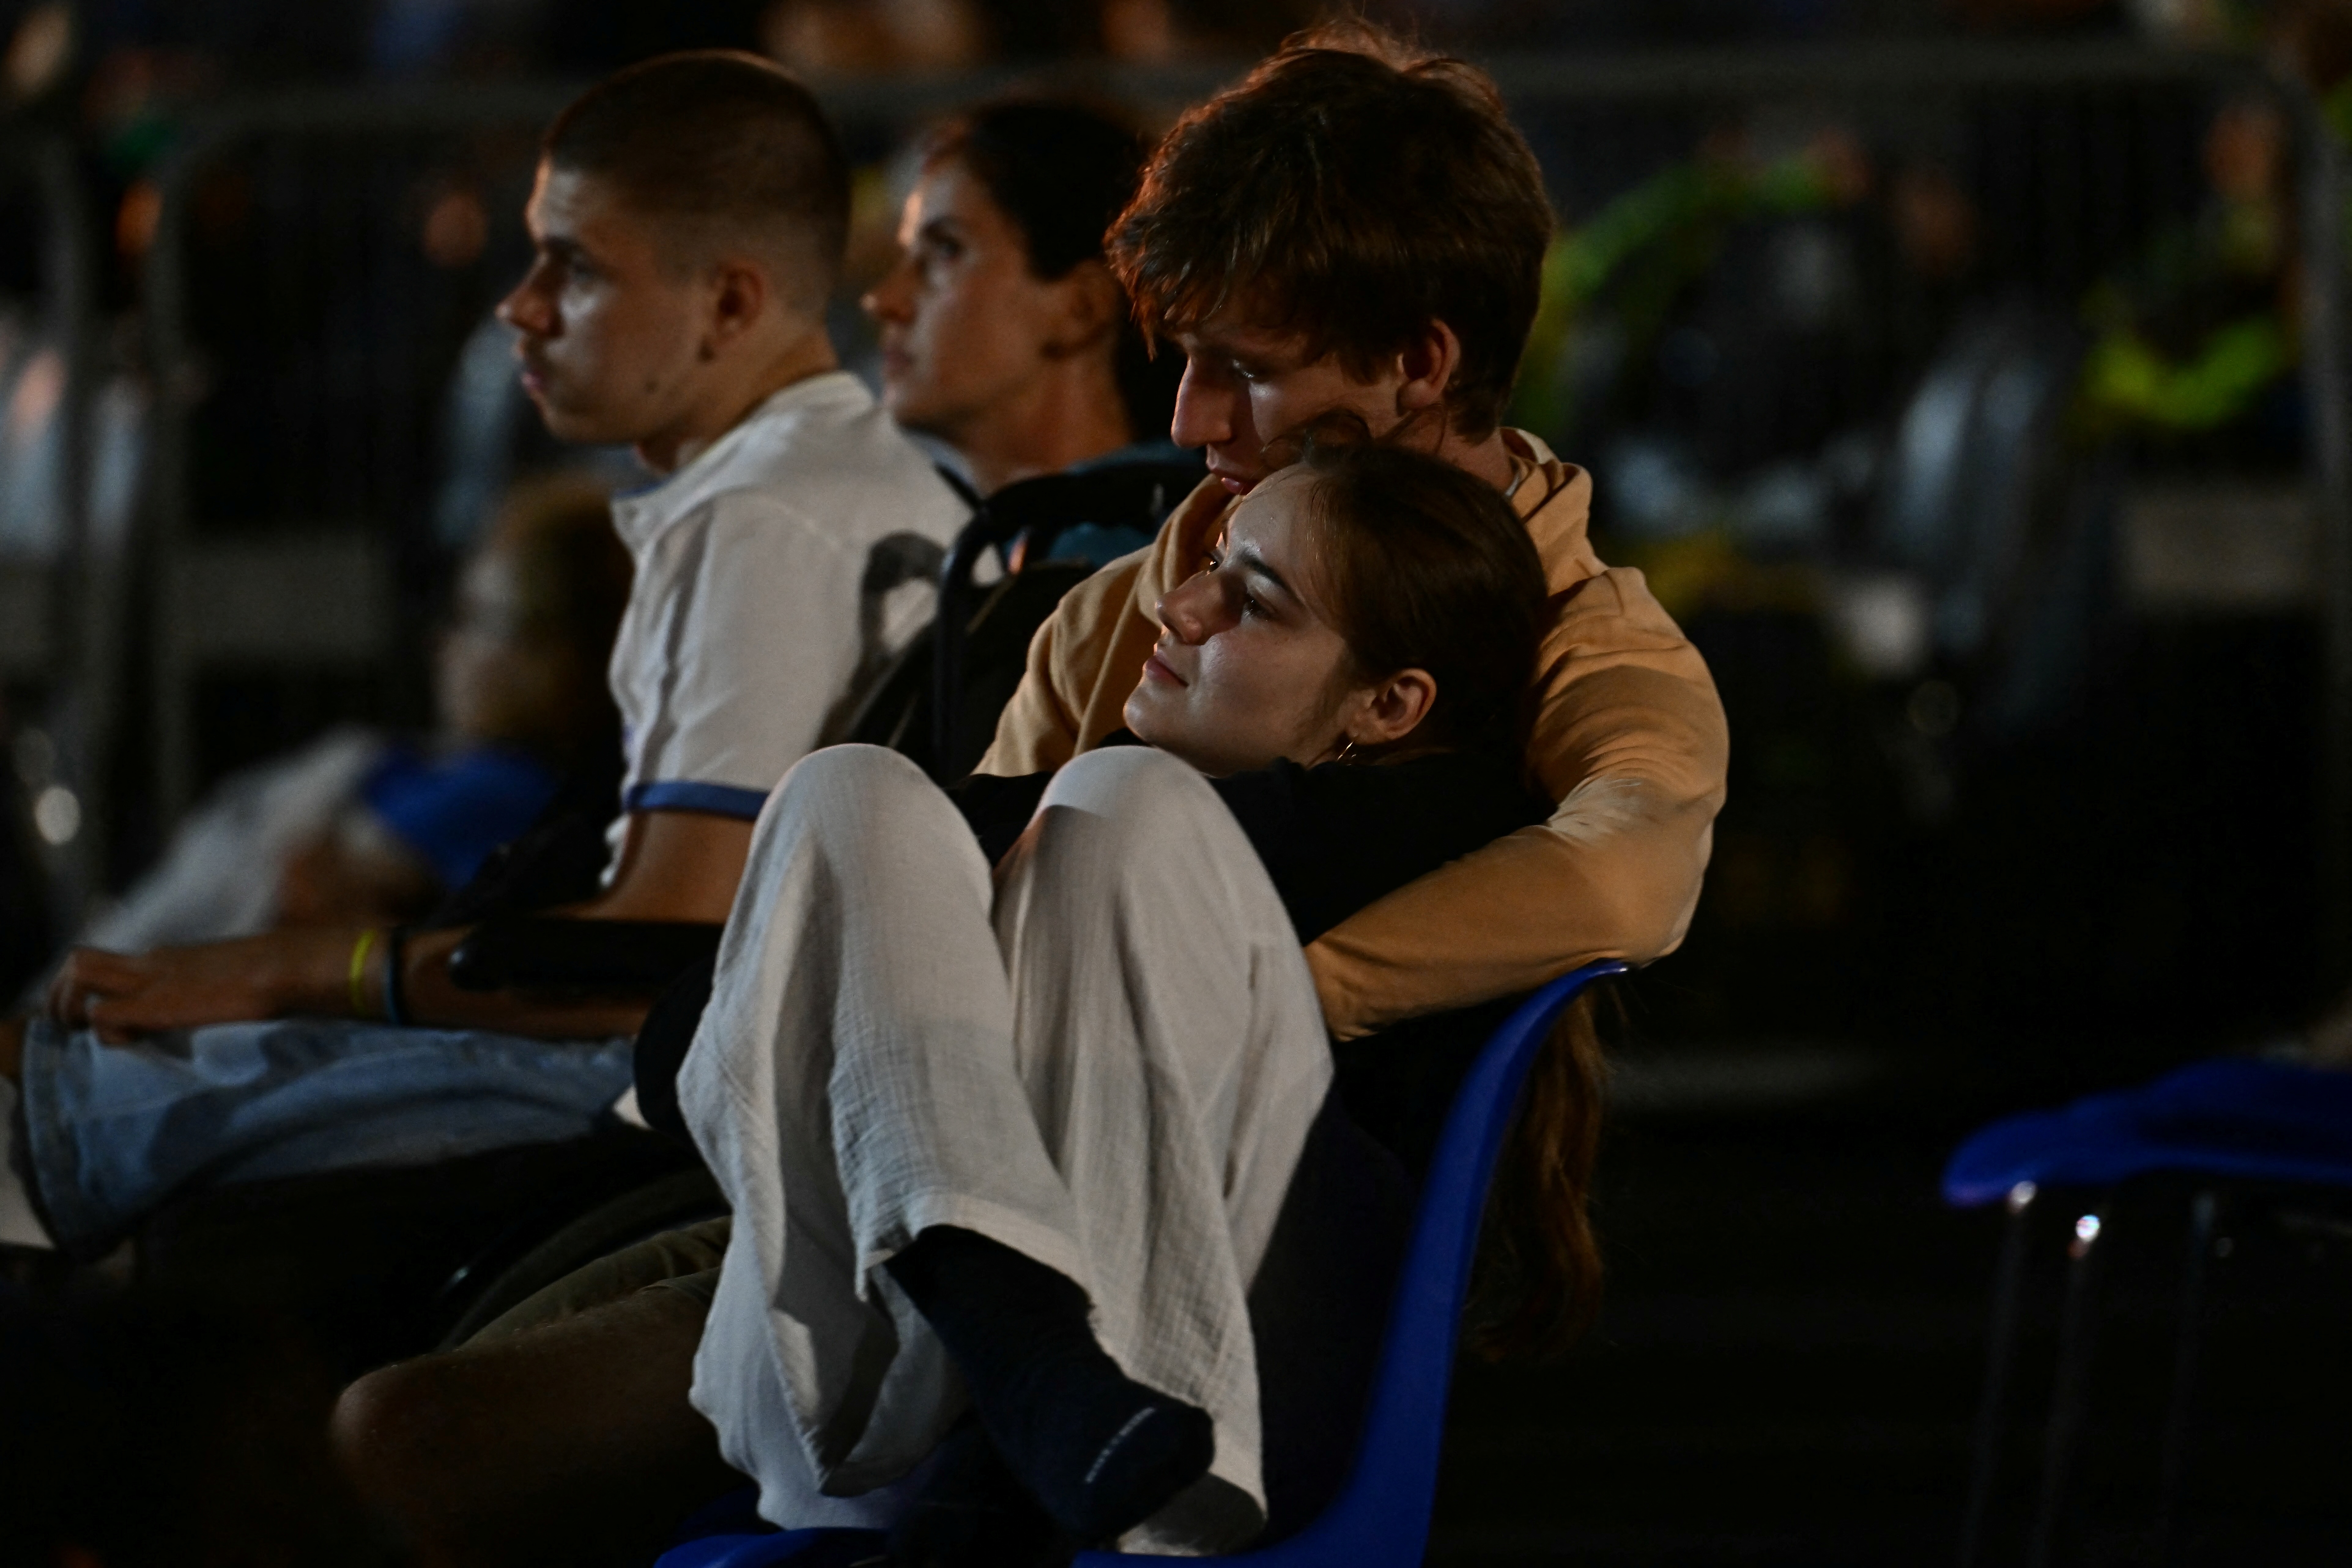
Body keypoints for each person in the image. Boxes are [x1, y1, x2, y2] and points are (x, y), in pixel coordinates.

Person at [334, 439, 1592, 1567]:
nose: (1181, 599)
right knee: (850, 792)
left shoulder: (1458, 844)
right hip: (901, 1413)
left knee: (1120, 812)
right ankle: (1010, 1340)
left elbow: (704, 1029)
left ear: (1390, 705)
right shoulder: (1035, 811)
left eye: (1254, 599)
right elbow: (677, 1063)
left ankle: (1020, 1419)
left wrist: (874, 943)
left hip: (1219, 1413)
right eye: (1212, 560)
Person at [0, 51, 967, 1254]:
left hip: (692, 1105)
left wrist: (294, 973)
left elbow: (659, 953)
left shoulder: (762, 515)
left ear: (728, 302)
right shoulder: (853, 474)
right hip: (762, 1079)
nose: (523, 305)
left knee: (75, 1108)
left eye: (576, 267)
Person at [986, 25, 1728, 1042]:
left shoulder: (1582, 639)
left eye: (1246, 370)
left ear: (1421, 363)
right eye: (1187, 362)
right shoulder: (1118, 611)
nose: (1187, 423)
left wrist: (1284, 1007)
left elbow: (1623, 877)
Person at [57, 474, 629, 961]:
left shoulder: (509, 793)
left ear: (555, 658)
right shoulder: (445, 768)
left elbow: (304, 890)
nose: (444, 644)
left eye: (475, 617)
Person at [861, 95, 1187, 563]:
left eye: (947, 251)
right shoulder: (1026, 549)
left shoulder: (1139, 564)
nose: (884, 301)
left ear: (1082, 308)